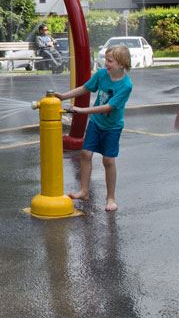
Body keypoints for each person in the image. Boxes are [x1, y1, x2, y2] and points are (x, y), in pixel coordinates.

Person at [56, 43, 133, 212]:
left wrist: (82, 110)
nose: (106, 63)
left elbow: (109, 107)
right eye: (106, 59)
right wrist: (63, 96)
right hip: (96, 123)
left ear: (121, 64)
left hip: (112, 126)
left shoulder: (126, 85)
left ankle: (111, 197)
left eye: (110, 60)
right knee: (85, 153)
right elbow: (85, 88)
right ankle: (84, 191)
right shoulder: (101, 75)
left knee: (108, 160)